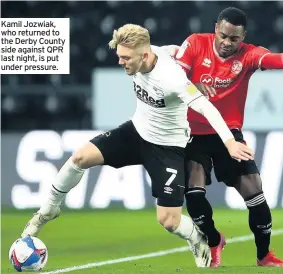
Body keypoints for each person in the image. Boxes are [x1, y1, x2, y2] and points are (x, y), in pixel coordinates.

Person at [21, 24, 253, 268]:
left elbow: (205, 107)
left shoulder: (171, 77)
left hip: (167, 147)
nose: (121, 62)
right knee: (80, 157)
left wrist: (229, 142)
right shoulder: (158, 51)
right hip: (136, 131)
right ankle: (48, 211)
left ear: (143, 56)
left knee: (169, 221)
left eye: (125, 58)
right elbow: (180, 50)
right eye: (119, 56)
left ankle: (198, 238)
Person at [173, 6, 283, 268]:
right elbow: (174, 78)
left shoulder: (248, 56)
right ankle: (214, 239)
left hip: (228, 136)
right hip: (192, 134)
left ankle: (263, 255)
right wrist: (192, 86)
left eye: (234, 39)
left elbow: (275, 60)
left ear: (243, 37)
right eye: (223, 35)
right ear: (216, 29)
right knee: (195, 196)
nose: (227, 42)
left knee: (256, 196)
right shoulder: (195, 43)